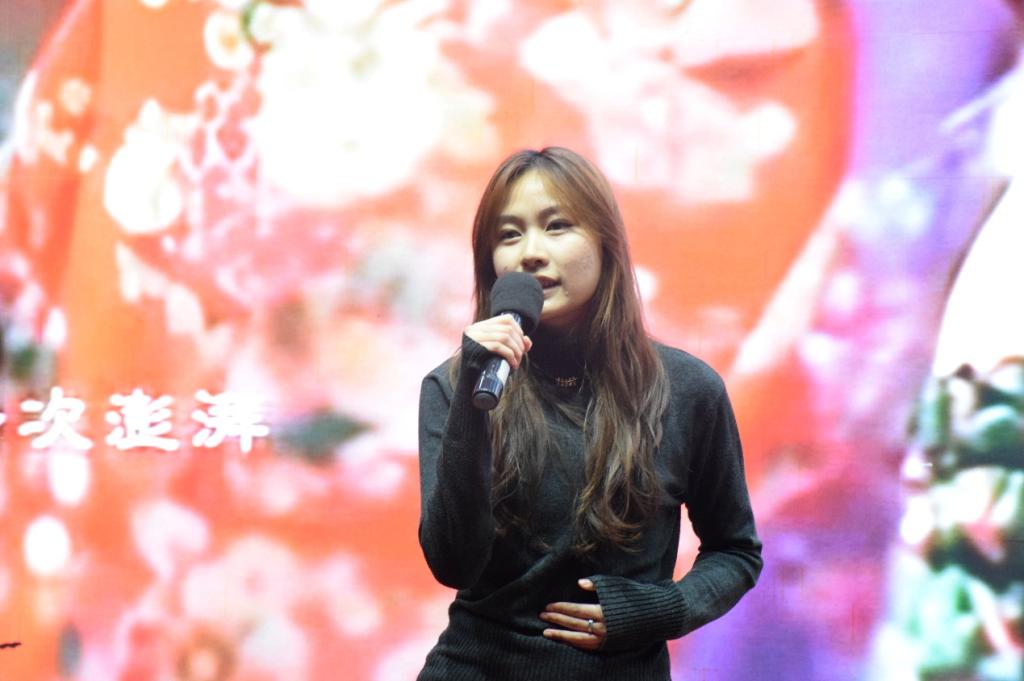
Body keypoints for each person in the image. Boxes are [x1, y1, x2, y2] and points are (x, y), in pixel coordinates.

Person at [417, 147, 762, 680]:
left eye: (557, 226)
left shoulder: (688, 389)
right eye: (509, 235)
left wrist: (659, 610)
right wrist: (472, 403)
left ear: (605, 243)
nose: (531, 253)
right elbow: (452, 564)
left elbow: (735, 551)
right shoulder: (455, 387)